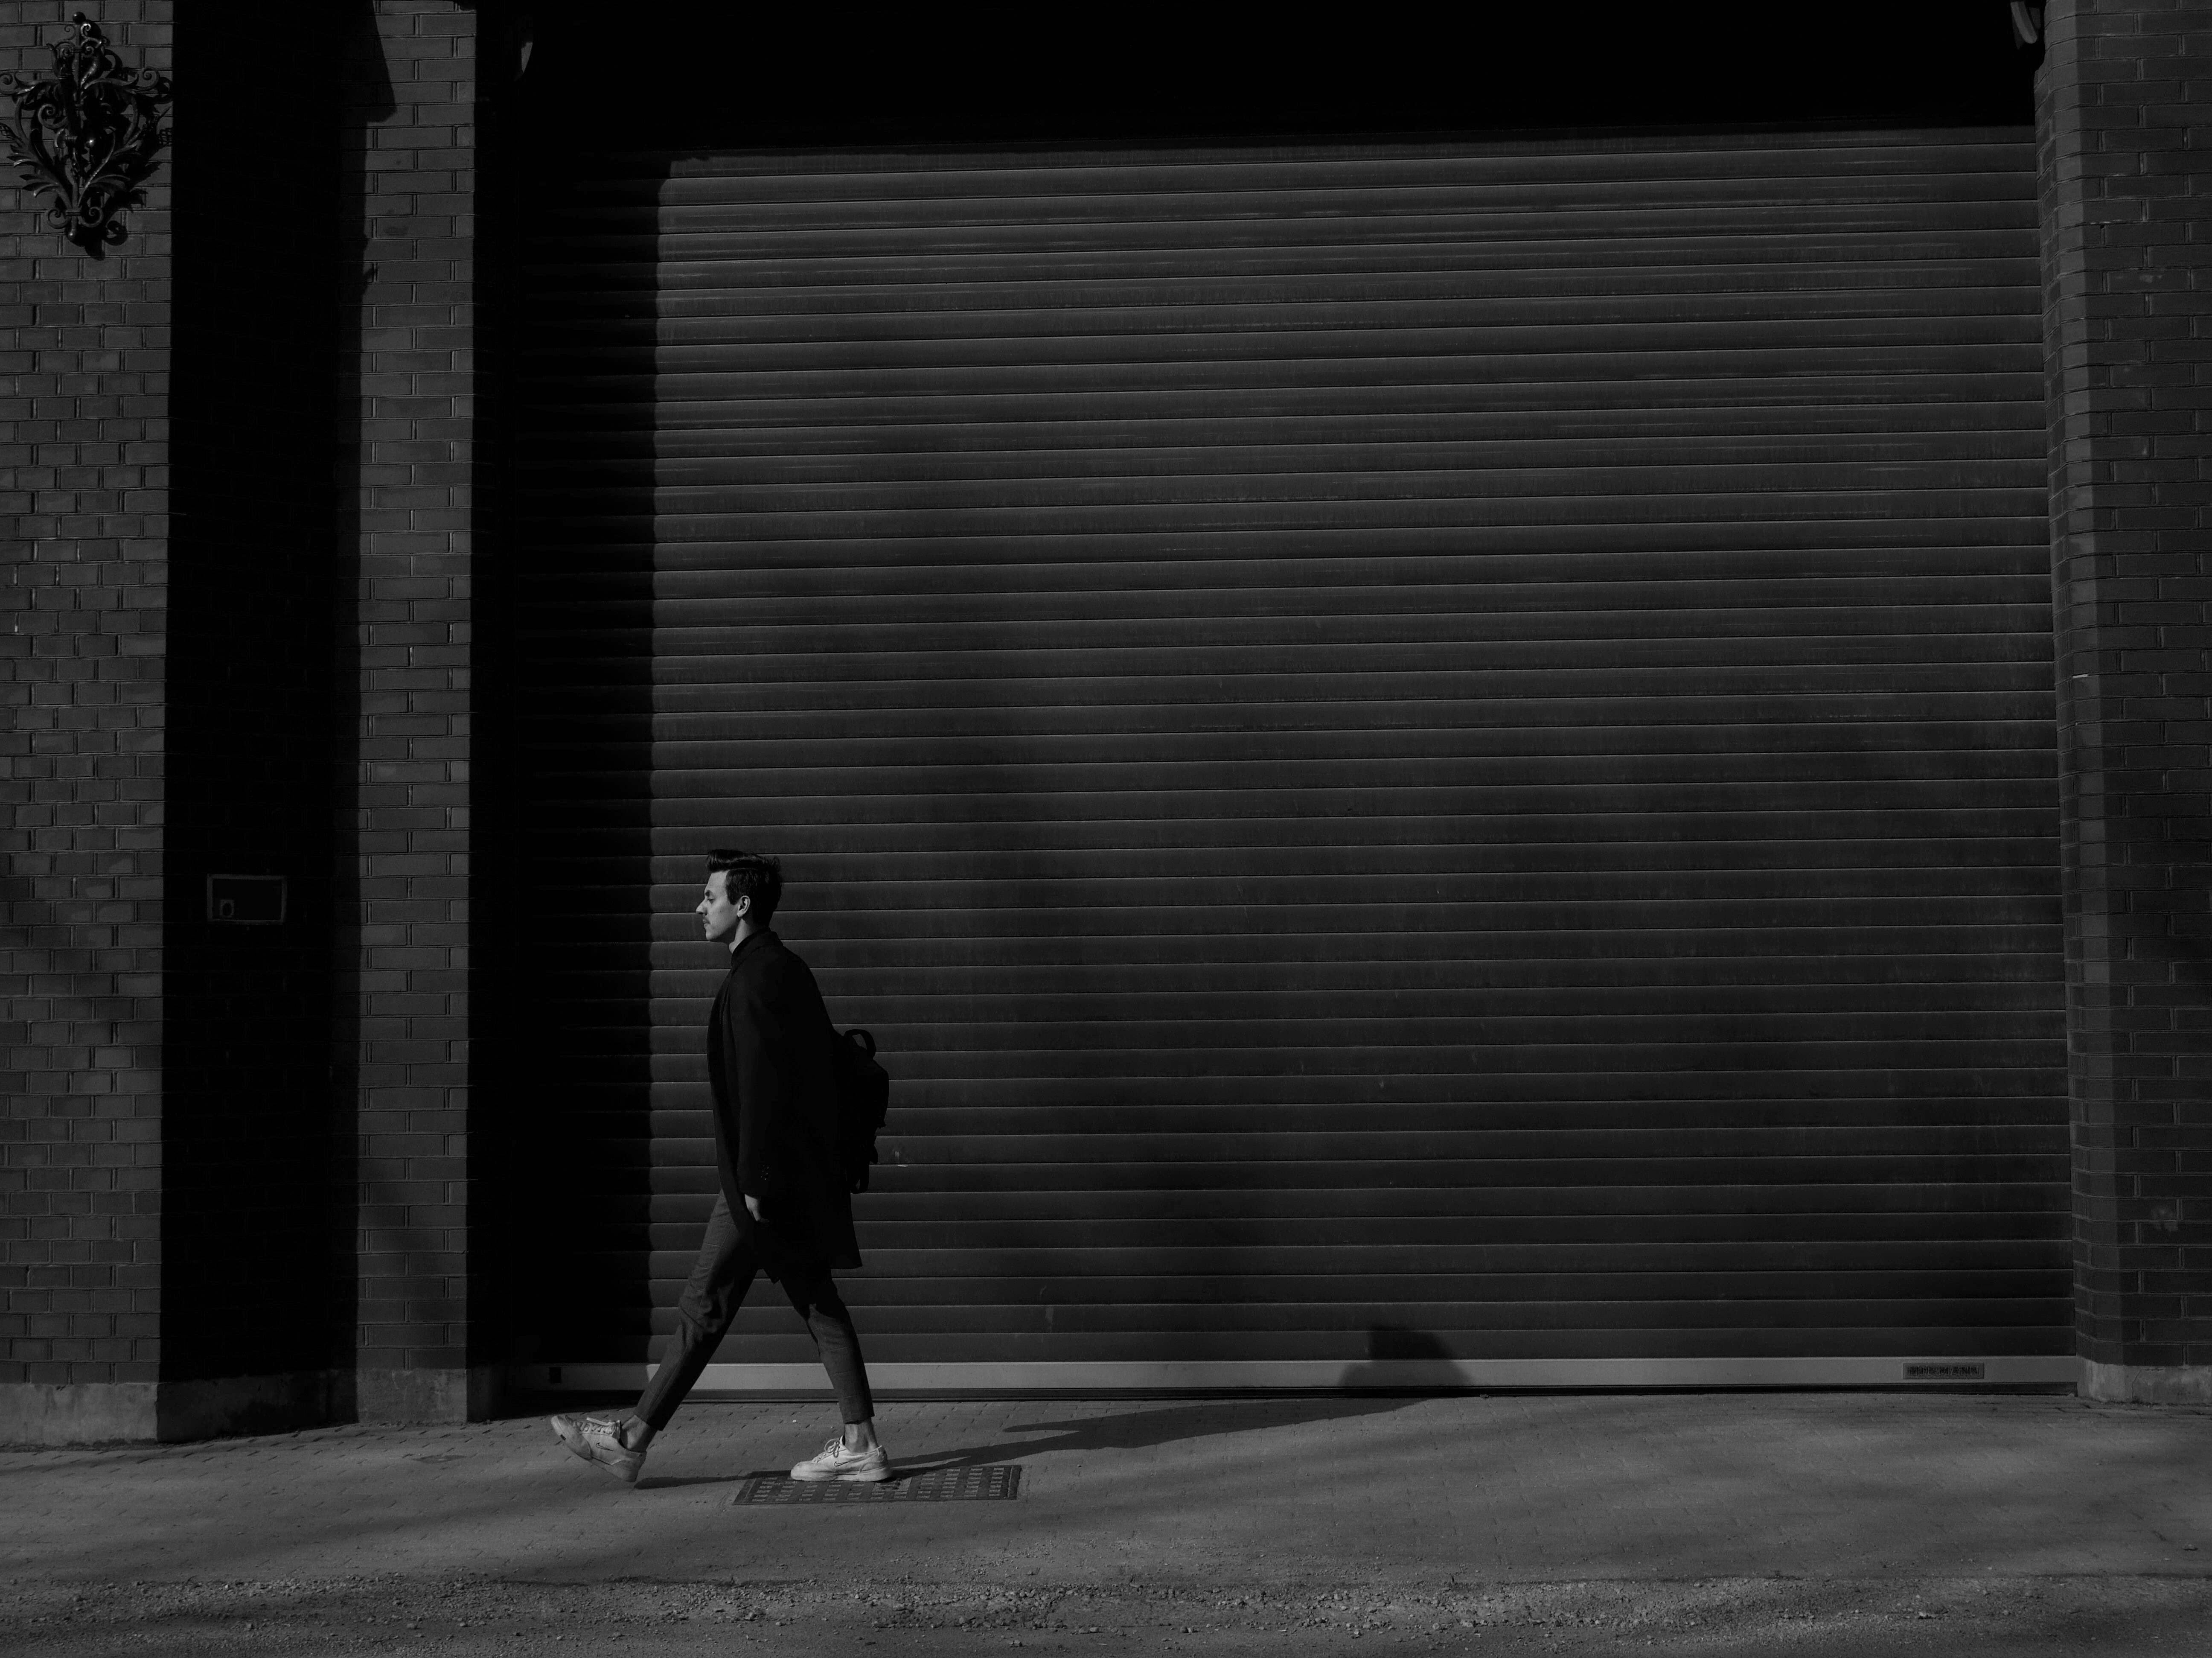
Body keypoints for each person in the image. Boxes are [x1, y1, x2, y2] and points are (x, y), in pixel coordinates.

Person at [550, 850, 887, 1486]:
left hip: (761, 1185)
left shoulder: (757, 977)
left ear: (744, 904)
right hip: (780, 1178)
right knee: (813, 1302)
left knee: (705, 1303)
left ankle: (630, 1438)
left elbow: (763, 1088)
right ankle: (860, 1440)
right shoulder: (780, 969)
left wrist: (757, 1182)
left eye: (710, 896)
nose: (699, 907)